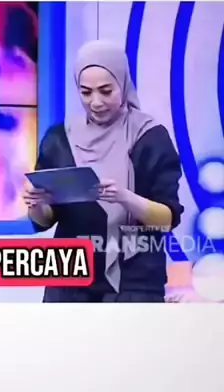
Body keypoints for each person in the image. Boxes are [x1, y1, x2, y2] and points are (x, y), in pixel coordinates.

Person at [24, 39, 184, 303]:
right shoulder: (59, 138)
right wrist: (37, 204)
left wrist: (125, 197)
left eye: (106, 91)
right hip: (69, 280)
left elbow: (166, 219)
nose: (96, 102)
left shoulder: (150, 138)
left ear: (123, 84)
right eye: (86, 92)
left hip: (135, 283)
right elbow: (45, 221)